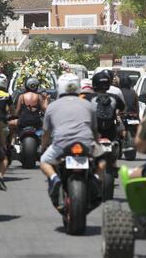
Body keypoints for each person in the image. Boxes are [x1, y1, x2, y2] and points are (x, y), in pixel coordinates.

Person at [40, 73, 103, 208]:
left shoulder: (52, 106)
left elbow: (46, 133)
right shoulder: (88, 105)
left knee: (44, 161)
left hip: (61, 145)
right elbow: (94, 130)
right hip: (86, 143)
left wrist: (42, 147)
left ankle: (54, 178)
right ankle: (95, 180)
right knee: (103, 160)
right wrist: (97, 144)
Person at [91, 71, 125, 142]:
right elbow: (123, 108)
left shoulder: (88, 98)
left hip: (94, 134)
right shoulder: (115, 97)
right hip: (111, 135)